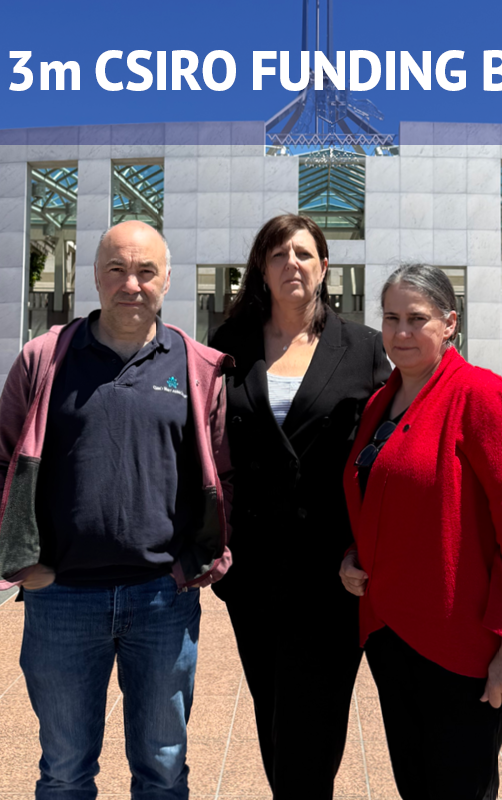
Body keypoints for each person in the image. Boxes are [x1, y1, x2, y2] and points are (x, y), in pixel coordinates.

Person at [0, 220, 233, 800]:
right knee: (65, 771)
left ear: (166, 280)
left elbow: (223, 474)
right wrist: (25, 562)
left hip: (161, 598)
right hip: (62, 599)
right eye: (117, 269)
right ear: (95, 276)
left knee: (164, 769)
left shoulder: (196, 366)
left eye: (146, 271)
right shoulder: (45, 358)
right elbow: (2, 460)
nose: (131, 284)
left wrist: (202, 560)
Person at [340, 263, 502, 800]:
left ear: (450, 323)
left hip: (460, 646)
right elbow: (380, 494)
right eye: (391, 318)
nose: (402, 332)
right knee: (416, 786)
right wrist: (354, 553)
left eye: (417, 318)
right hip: (393, 634)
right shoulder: (381, 402)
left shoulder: (486, 398)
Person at [209, 214, 390, 799]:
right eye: (278, 254)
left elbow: (388, 446)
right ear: (261, 269)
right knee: (272, 711)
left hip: (331, 569)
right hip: (253, 569)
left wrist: (368, 543)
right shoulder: (228, 344)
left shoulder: (363, 347)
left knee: (315, 720)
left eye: (305, 254)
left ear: (325, 267)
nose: (292, 263)